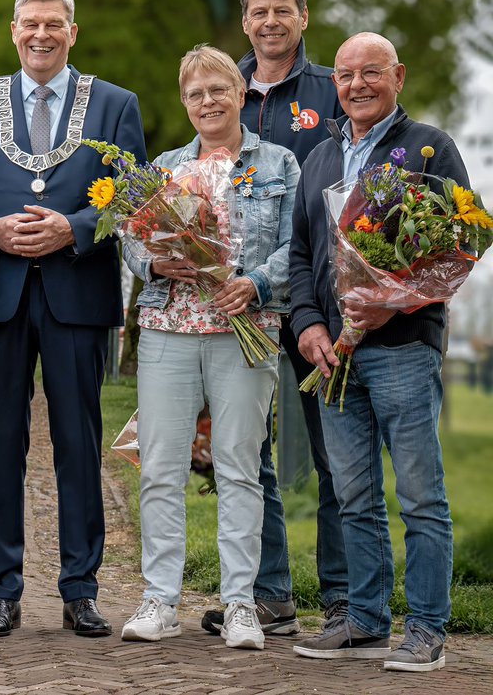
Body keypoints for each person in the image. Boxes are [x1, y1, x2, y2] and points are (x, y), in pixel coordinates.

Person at [0, 0, 146, 639]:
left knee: (78, 445)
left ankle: (80, 589)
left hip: (77, 291)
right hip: (0, 295)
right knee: (1, 444)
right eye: (30, 24)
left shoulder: (117, 105)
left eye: (53, 24)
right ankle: (2, 590)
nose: (41, 34)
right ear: (13, 31)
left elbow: (135, 197)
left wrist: (77, 227)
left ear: (73, 31)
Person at [291, 33, 466, 673]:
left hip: (401, 348)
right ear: (333, 83)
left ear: (399, 75)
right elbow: (303, 256)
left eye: (371, 72)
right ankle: (365, 619)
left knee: (419, 492)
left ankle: (426, 628)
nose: (357, 84)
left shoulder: (427, 149)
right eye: (345, 74)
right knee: (353, 494)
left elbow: (454, 248)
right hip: (333, 356)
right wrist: (308, 326)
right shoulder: (318, 159)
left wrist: (393, 302)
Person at [119, 45, 299, 651]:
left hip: (245, 331)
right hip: (170, 328)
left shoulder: (278, 163)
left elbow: (297, 246)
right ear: (184, 102)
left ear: (241, 92)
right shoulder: (165, 167)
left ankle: (242, 604)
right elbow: (132, 242)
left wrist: (256, 284)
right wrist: (153, 259)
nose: (207, 102)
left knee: (240, 469)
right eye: (194, 94)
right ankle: (160, 599)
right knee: (162, 468)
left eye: (218, 89)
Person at [200, 0, 349, 639]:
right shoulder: (223, 89)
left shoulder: (331, 92)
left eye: (282, 10)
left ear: (303, 16)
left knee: (334, 451)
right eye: (259, 11)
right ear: (244, 20)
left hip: (319, 301)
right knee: (247, 453)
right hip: (243, 307)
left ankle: (347, 599)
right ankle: (269, 594)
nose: (270, 22)